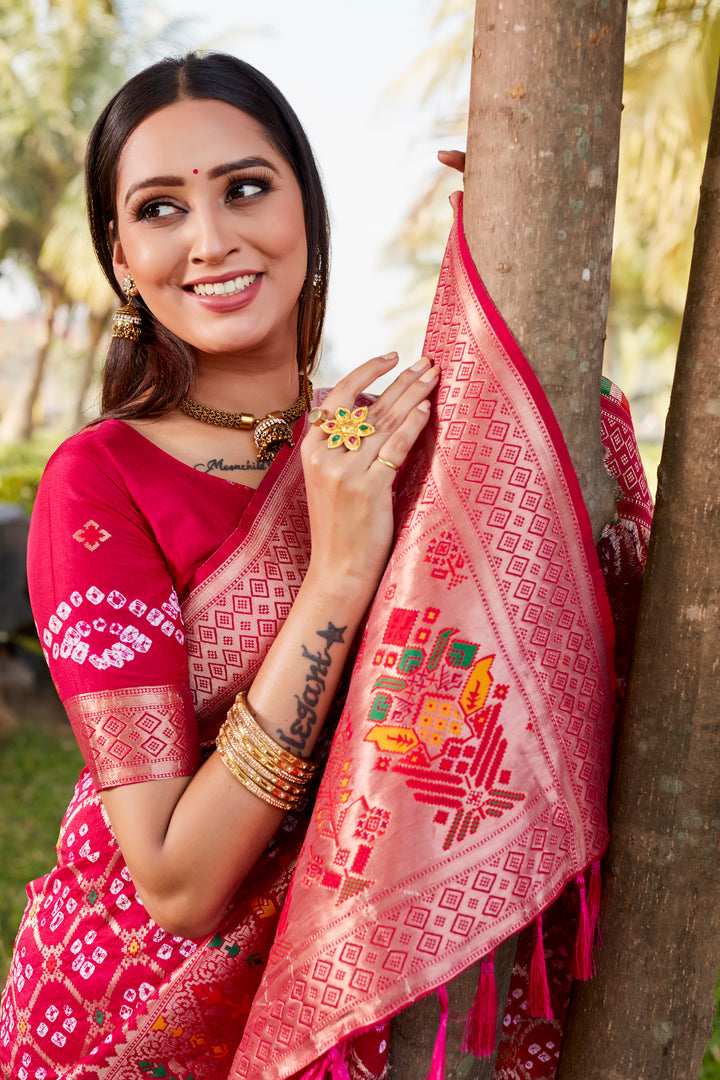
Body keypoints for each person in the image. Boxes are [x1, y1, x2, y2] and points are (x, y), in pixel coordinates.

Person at [0, 51, 439, 1079]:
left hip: (361, 1003)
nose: (210, 240)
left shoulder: (376, 443)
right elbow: (178, 881)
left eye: (246, 188)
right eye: (160, 209)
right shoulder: (96, 483)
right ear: (121, 255)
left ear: (305, 211)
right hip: (130, 1021)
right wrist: (334, 577)